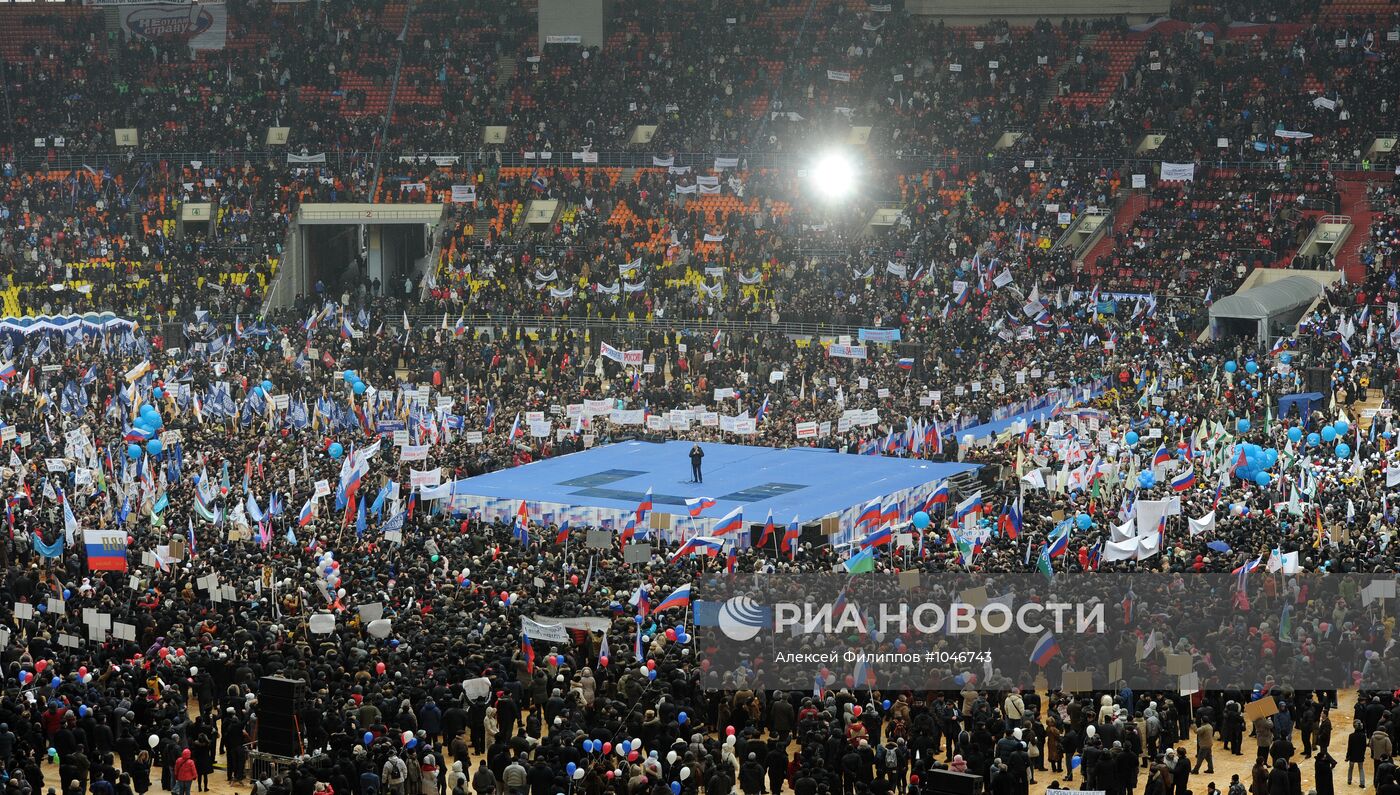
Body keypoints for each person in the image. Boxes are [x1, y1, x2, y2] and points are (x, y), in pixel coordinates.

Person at [1346, 721, 1367, 788]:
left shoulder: (1351, 736)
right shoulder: (1363, 736)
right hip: (1360, 754)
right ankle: (1362, 782)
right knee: (1361, 768)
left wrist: (1347, 756)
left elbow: (1349, 747)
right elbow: (1364, 747)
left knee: (1350, 768)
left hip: (1352, 755)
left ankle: (1349, 780)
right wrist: (1363, 754)